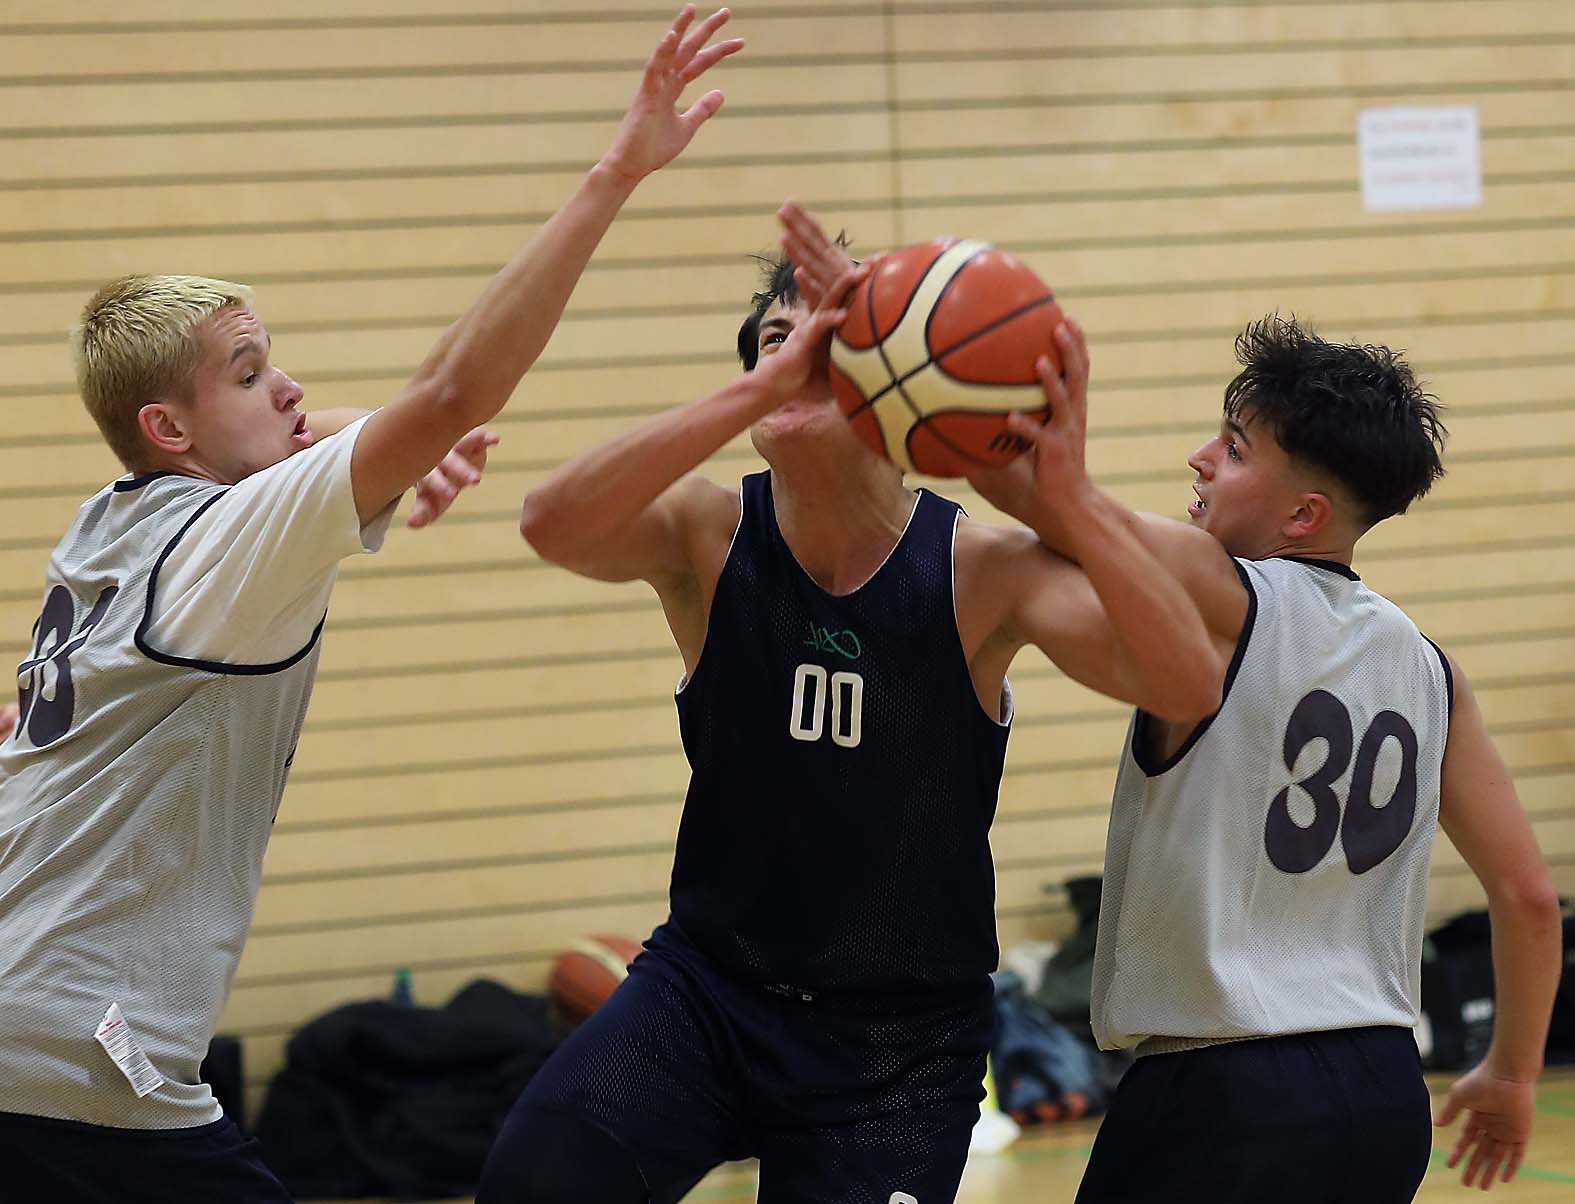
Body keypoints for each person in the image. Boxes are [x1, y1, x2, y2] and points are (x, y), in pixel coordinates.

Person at [0, 9, 741, 1202]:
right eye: (251, 374)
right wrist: (616, 172)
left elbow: (317, 436)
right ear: (169, 427)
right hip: (77, 1049)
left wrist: (370, 444)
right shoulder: (224, 541)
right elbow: (451, 391)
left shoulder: (108, 518)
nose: (290, 385)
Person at [786, 211, 1563, 1200]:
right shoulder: (1431, 669)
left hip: (1223, 1090)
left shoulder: (1220, 587)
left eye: (1232, 449)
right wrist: (1512, 1071)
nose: (1200, 457)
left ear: (1303, 515)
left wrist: (876, 330)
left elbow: (1031, 493)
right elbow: (1527, 897)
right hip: (1380, 1093)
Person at [476, 207, 1227, 1203]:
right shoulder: (706, 531)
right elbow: (550, 522)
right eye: (773, 339)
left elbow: (1186, 686)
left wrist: (1070, 502)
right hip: (707, 993)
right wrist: (766, 384)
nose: (792, 354)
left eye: (826, 340)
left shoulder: (979, 568)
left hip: (895, 1046)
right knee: (532, 1183)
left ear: (889, 385)